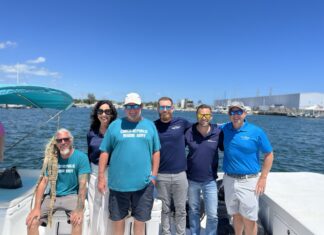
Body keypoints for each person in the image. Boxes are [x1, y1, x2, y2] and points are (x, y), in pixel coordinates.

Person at [98, 92, 160, 235]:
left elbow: (156, 152)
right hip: (118, 184)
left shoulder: (150, 126)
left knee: (140, 222)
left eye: (135, 106)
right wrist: (101, 177)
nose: (132, 109)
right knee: (118, 221)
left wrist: (154, 177)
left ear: (141, 107)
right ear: (124, 108)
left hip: (144, 185)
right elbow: (104, 151)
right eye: (129, 106)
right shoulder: (114, 125)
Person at [222, 101, 274, 235]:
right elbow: (207, 127)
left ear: (245, 113)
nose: (236, 115)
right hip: (229, 179)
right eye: (232, 112)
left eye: (239, 112)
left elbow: (269, 154)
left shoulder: (256, 131)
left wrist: (263, 177)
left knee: (250, 219)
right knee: (235, 215)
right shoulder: (225, 128)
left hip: (249, 181)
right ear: (229, 115)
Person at [26, 128, 91, 235]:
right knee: (32, 221)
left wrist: (79, 209)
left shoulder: (81, 157)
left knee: (77, 221)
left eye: (66, 139)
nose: (63, 142)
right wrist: (36, 208)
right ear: (55, 143)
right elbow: (43, 183)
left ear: (71, 140)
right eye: (59, 140)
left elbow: (83, 185)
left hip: (72, 196)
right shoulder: (52, 159)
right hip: (52, 197)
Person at [154, 97, 191, 235]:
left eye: (167, 107)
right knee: (165, 209)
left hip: (180, 174)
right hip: (161, 174)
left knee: (181, 209)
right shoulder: (153, 126)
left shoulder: (182, 122)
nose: (165, 110)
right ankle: (166, 233)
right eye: (162, 107)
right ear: (158, 109)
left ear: (172, 108)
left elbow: (200, 126)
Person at [185, 104, 223, 235]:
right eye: (201, 115)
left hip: (210, 180)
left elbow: (228, 147)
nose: (204, 117)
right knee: (193, 211)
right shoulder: (189, 132)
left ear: (211, 116)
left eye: (207, 115)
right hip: (191, 180)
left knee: (212, 214)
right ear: (197, 116)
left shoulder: (218, 132)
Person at [87, 100, 118, 235]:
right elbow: (89, 153)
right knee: (94, 206)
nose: (103, 114)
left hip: (111, 173)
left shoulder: (116, 131)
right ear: (96, 114)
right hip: (94, 172)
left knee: (108, 208)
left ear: (112, 114)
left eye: (107, 111)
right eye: (100, 111)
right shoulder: (91, 132)